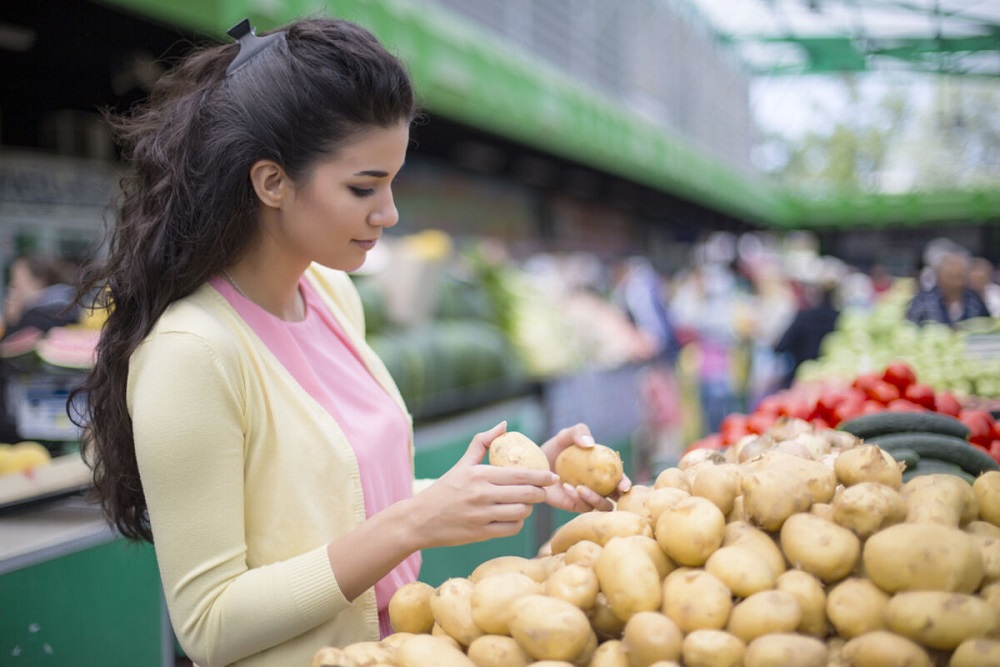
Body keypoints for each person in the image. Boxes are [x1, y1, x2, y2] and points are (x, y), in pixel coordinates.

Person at [70, 17, 628, 667]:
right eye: (364, 187)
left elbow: (340, 502)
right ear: (271, 182)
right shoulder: (192, 352)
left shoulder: (329, 298)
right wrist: (413, 524)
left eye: (392, 181)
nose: (388, 213)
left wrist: (494, 487)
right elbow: (209, 622)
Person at [0, 253, 81, 441]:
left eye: (15, 284)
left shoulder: (42, 314)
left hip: (30, 427)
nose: (11, 291)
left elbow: (9, 349)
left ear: (38, 282)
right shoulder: (68, 306)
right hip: (62, 422)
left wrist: (13, 321)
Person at [773, 278, 840, 389]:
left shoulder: (804, 317)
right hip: (831, 380)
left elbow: (781, 346)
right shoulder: (840, 318)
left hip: (801, 380)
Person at [905, 250, 990, 326]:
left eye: (959, 276)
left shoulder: (975, 300)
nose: (955, 283)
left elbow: (988, 326)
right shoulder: (923, 300)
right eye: (950, 276)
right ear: (939, 276)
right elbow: (911, 326)